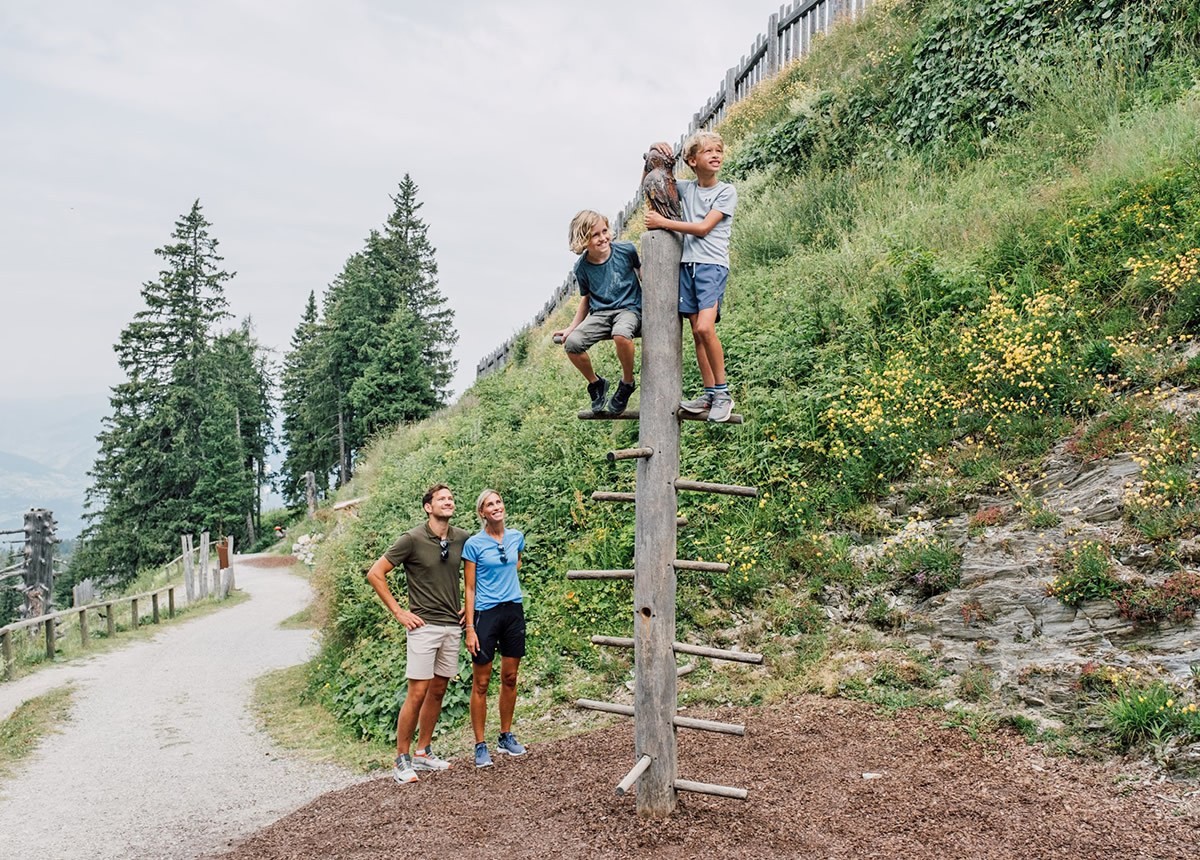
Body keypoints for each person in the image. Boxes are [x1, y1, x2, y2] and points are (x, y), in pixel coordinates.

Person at [365, 483, 470, 785]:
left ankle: (424, 752)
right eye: (441, 499)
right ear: (428, 507)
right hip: (423, 627)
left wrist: (469, 608)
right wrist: (399, 612)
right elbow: (375, 573)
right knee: (418, 692)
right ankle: (401, 758)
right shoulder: (411, 538)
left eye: (451, 498)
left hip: (452, 626)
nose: (448, 502)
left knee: (438, 690)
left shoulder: (461, 537)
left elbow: (479, 570)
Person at [644, 131, 738, 422]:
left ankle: (723, 394)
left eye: (718, 151)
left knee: (705, 329)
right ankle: (710, 394)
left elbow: (703, 228)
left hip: (711, 266)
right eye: (708, 151)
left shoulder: (726, 191)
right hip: (689, 266)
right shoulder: (687, 189)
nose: (715, 155)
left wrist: (664, 222)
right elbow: (653, 187)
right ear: (692, 160)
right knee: (696, 331)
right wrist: (651, 158)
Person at [552, 210, 642, 416]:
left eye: (604, 231)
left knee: (621, 334)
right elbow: (586, 299)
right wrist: (571, 327)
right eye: (595, 235)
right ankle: (596, 383)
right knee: (573, 344)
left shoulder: (626, 250)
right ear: (583, 240)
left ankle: (627, 382)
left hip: (628, 308)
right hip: (600, 313)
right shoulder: (582, 268)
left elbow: (641, 271)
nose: (603, 238)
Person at [462, 488, 527, 769]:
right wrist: (469, 627)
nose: (496, 507)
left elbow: (516, 563)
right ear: (482, 513)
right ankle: (479, 745)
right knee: (482, 682)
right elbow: (469, 586)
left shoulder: (516, 537)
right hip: (485, 615)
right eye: (490, 504)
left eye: (499, 502)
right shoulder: (474, 544)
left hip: (513, 611)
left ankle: (505, 735)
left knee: (510, 677)